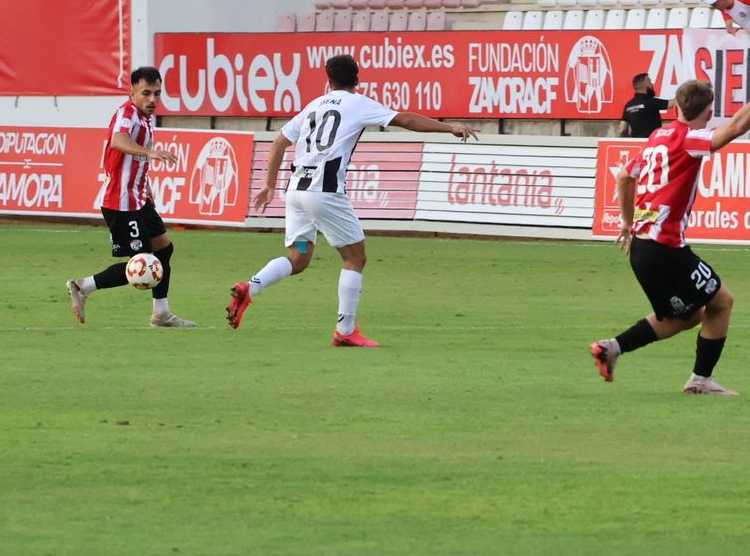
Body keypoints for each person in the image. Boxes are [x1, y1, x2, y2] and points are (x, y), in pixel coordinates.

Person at [228, 54, 478, 346]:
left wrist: (269, 185)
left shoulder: (314, 105)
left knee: (298, 257)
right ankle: (345, 331)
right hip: (324, 193)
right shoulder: (358, 103)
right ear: (357, 80)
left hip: (296, 195)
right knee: (355, 257)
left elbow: (280, 142)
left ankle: (251, 287)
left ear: (328, 80)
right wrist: (450, 127)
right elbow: (405, 119)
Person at [590, 56, 750, 395]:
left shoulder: (657, 138)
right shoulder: (688, 139)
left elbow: (624, 176)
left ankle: (611, 348)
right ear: (707, 113)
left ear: (674, 108)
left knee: (684, 317)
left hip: (642, 249)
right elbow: (735, 128)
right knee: (722, 302)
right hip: (665, 249)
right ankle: (701, 380)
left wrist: (627, 226)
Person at [66, 66, 196, 328]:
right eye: (146, 93)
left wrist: (145, 184)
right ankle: (83, 286)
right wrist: (151, 154)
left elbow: (131, 157)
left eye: (157, 93)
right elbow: (118, 140)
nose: (152, 99)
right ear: (132, 92)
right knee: (144, 263)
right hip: (120, 202)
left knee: (164, 250)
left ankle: (161, 314)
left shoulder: (145, 118)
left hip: (137, 198)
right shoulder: (128, 113)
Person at [620, 73, 669, 139]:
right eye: (649, 82)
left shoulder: (628, 106)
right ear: (642, 85)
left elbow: (622, 130)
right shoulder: (651, 102)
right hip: (652, 143)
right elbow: (674, 103)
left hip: (636, 144)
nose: (652, 85)